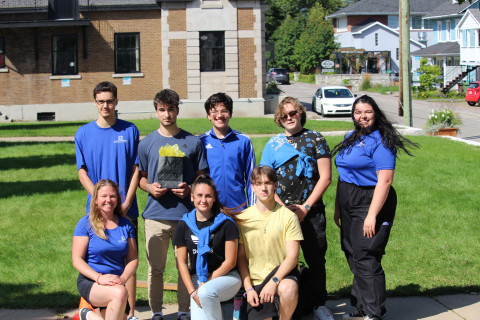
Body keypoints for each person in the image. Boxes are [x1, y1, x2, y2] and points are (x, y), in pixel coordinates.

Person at [332, 95, 417, 320]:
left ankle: (374, 313)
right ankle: (361, 307)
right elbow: (343, 173)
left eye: (367, 112)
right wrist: (338, 207)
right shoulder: (351, 137)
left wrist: (372, 215)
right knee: (352, 253)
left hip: (371, 200)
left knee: (366, 255)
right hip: (348, 199)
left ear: (375, 113)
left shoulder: (382, 141)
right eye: (358, 112)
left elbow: (385, 180)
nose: (362, 116)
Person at [259, 97, 334, 320]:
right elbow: (265, 179)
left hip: (311, 212)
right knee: (281, 259)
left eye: (293, 113)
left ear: (300, 113)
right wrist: (284, 209)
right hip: (282, 214)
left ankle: (318, 304)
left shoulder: (316, 139)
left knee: (316, 257)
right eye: (284, 115)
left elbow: (326, 177)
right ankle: (283, 304)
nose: (289, 118)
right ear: (279, 120)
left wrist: (305, 208)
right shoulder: (273, 143)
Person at [138, 89, 208, 320]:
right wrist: (149, 187)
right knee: (155, 269)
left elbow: (202, 177)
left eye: (171, 109)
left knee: (186, 268)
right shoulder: (147, 143)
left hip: (186, 217)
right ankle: (156, 312)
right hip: (155, 216)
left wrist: (190, 188)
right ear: (156, 111)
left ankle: (184, 311)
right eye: (162, 110)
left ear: (177, 110)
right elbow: (141, 177)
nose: (166, 114)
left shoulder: (193, 142)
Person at [74, 81, 140, 320]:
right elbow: (81, 171)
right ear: (95, 103)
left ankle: (130, 313)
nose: (105, 105)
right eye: (101, 101)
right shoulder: (83, 133)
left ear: (116, 102)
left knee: (127, 261)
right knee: (100, 258)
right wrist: (98, 200)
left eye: (109, 101)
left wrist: (126, 201)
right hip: (98, 210)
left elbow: (136, 169)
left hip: (126, 208)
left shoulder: (130, 130)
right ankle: (95, 309)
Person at [237, 166, 304, 320]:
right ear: (252, 187)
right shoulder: (243, 219)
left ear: (275, 185)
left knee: (288, 288)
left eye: (268, 183)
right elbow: (240, 259)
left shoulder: (288, 217)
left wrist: (274, 281)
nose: (264, 188)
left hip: (281, 276)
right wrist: (248, 289)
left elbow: (293, 257)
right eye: (258, 184)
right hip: (255, 281)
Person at [173, 175, 242, 320]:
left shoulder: (226, 224)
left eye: (208, 196)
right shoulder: (184, 224)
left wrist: (205, 283)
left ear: (214, 198)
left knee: (205, 292)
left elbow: (230, 262)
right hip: (198, 280)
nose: (203, 200)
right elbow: (181, 263)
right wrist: (192, 292)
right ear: (191, 197)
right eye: (199, 195)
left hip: (227, 277)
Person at [72, 180, 138, 320]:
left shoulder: (126, 225)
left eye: (112, 196)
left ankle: (87, 315)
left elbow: (133, 259)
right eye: (104, 196)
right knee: (120, 293)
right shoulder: (85, 224)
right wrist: (99, 278)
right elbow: (77, 260)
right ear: (95, 199)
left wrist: (123, 278)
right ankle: (88, 314)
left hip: (117, 282)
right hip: (92, 281)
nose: (108, 200)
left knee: (118, 300)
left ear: (118, 199)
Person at [198, 92, 256, 209]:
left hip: (238, 208)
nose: (219, 115)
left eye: (224, 111)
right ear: (208, 115)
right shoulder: (200, 142)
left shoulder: (243, 141)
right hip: (210, 208)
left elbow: (252, 178)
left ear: (230, 114)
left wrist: (254, 208)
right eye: (214, 111)